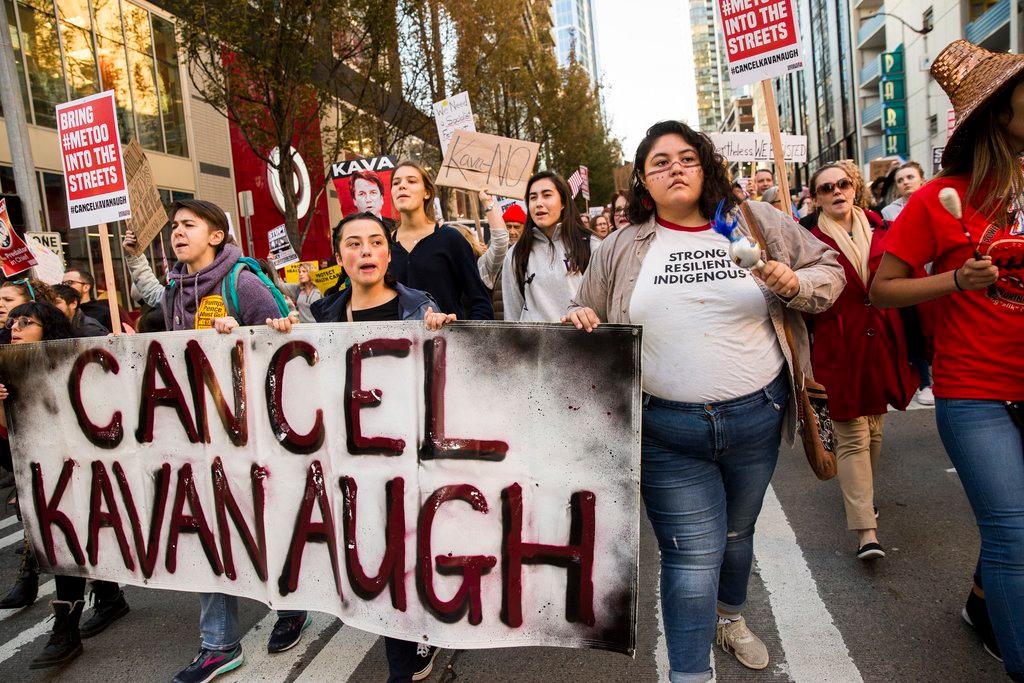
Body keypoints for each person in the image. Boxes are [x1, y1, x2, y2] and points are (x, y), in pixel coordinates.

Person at [563, 120, 844, 681]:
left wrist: (793, 283)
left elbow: (830, 271)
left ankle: (730, 616)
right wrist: (578, 319)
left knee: (738, 538)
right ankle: (690, 674)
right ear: (643, 180)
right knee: (691, 559)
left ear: (705, 165)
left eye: (686, 157)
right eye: (659, 162)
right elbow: (582, 316)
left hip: (757, 417)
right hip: (665, 431)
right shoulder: (621, 245)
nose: (675, 168)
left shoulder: (755, 222)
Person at [870, 40, 1024, 681]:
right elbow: (882, 288)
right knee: (1014, 534)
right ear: (998, 114)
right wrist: (954, 282)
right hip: (974, 390)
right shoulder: (939, 197)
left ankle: (982, 606)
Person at [122, 198, 308, 683]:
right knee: (207, 529)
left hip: (257, 434)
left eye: (188, 225)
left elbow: (292, 343)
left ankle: (292, 604)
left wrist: (243, 334)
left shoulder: (242, 282)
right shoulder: (173, 294)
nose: (177, 233)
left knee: (266, 522)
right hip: (201, 437)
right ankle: (218, 644)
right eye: (175, 227)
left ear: (216, 235)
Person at [267, 211, 455, 683]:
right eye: (354, 244)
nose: (365, 251)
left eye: (375, 242)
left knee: (410, 554)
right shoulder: (322, 315)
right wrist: (269, 335)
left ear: (389, 255)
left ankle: (408, 653)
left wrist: (445, 331)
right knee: (379, 559)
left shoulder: (419, 307)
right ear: (339, 257)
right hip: (353, 462)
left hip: (411, 458)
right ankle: (404, 656)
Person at [0, 301, 131, 668]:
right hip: (46, 476)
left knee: (70, 544)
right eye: (13, 321)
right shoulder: (8, 373)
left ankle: (68, 628)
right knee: (67, 543)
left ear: (50, 329)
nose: (16, 327)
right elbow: (11, 444)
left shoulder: (69, 366)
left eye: (27, 322)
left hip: (84, 469)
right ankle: (101, 602)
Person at [807, 163, 918, 560]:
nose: (836, 191)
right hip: (837, 346)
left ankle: (860, 495)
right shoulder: (808, 239)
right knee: (851, 435)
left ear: (854, 188)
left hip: (885, 341)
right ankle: (865, 531)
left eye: (842, 184)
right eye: (826, 188)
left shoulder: (884, 228)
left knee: (874, 430)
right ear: (816, 197)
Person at [388, 160, 494, 320]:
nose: (402, 186)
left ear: (427, 193)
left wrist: (463, 338)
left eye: (411, 181)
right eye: (396, 183)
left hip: (447, 342)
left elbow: (480, 303)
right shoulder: (383, 245)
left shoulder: (451, 239)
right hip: (398, 344)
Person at [502, 171, 601, 322]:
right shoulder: (516, 254)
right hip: (533, 344)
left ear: (563, 202)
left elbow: (605, 306)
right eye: (533, 197)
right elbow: (512, 317)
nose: (539, 203)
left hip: (581, 342)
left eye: (547, 195)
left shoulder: (591, 244)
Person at [881, 161, 936, 406]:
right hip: (910, 280)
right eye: (900, 180)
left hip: (938, 276)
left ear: (921, 179)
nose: (905, 182)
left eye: (910, 177)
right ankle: (925, 381)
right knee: (914, 330)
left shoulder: (936, 200)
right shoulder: (889, 213)